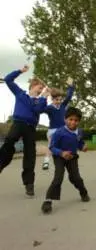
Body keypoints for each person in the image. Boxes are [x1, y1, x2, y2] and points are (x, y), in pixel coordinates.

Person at [0, 65, 49, 196]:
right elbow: (8, 80)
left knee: (30, 154)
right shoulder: (20, 94)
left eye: (42, 89)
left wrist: (44, 97)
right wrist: (20, 71)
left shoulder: (40, 101)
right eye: (40, 87)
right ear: (33, 86)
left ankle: (29, 184)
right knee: (10, 140)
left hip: (30, 128)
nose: (41, 90)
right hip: (18, 123)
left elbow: (37, 110)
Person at [41, 107, 90, 214]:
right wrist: (62, 153)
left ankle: (84, 193)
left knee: (75, 178)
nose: (73, 122)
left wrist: (83, 147)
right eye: (70, 119)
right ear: (65, 119)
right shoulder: (59, 132)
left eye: (76, 120)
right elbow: (52, 147)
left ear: (79, 121)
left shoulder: (79, 132)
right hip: (59, 157)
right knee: (58, 177)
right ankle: (48, 201)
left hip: (72, 157)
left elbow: (80, 142)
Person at [42, 77, 75, 170]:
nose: (59, 102)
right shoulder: (49, 108)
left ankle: (64, 160)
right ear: (52, 99)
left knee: (65, 145)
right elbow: (40, 108)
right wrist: (45, 95)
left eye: (60, 100)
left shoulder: (63, 105)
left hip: (62, 130)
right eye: (57, 100)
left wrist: (70, 86)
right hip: (52, 130)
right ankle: (46, 161)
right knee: (51, 146)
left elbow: (68, 96)